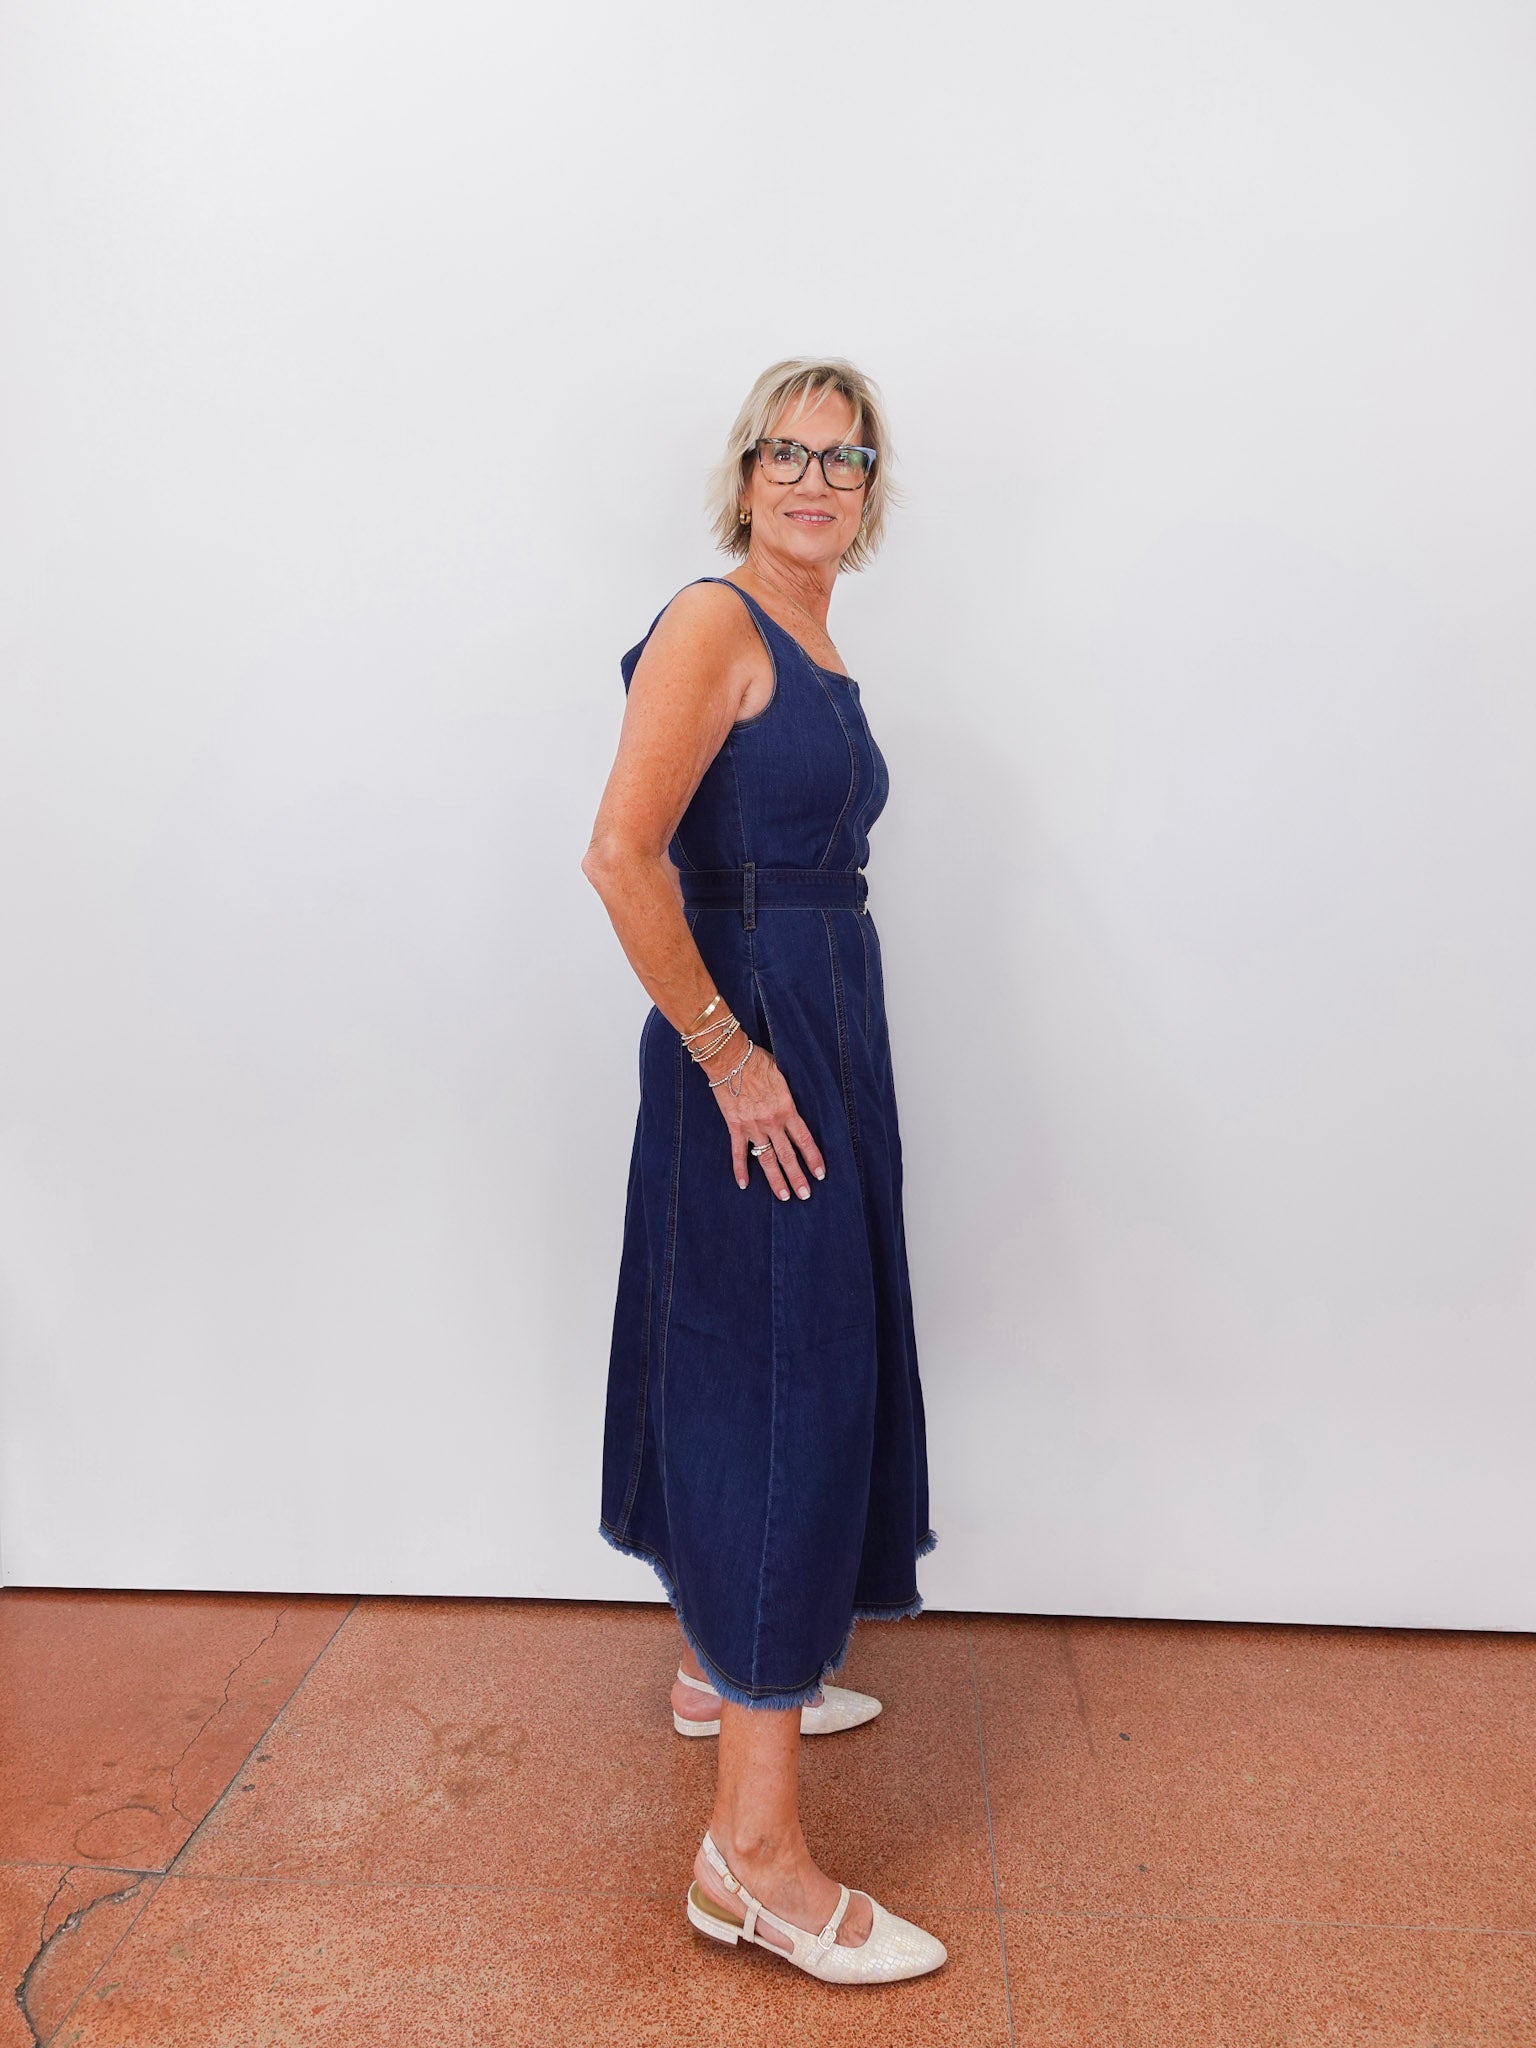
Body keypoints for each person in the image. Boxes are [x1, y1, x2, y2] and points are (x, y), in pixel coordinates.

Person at [580, 357, 945, 1984]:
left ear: (869, 496)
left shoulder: (809, 636)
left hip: (817, 1034)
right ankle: (755, 1859)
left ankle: (719, 1670)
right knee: (787, 1386)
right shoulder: (714, 623)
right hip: (758, 1049)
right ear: (741, 479)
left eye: (843, 458)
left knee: (772, 1361)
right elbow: (619, 855)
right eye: (784, 453)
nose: (813, 478)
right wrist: (733, 1058)